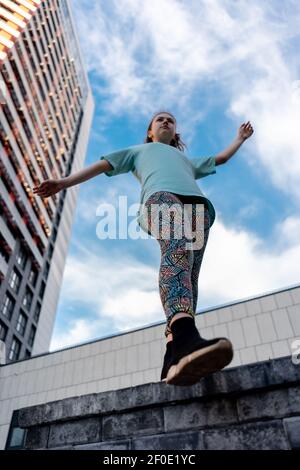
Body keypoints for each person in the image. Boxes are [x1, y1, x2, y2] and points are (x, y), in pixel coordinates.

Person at [33, 111, 254, 386]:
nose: (165, 122)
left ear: (175, 133)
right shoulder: (138, 151)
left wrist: (240, 138)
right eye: (159, 119)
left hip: (198, 210)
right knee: (177, 250)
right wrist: (64, 183)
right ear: (150, 131)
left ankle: (173, 356)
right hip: (160, 198)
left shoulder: (185, 159)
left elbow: (220, 158)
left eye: (171, 120)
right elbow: (102, 165)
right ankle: (186, 335)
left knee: (189, 278)